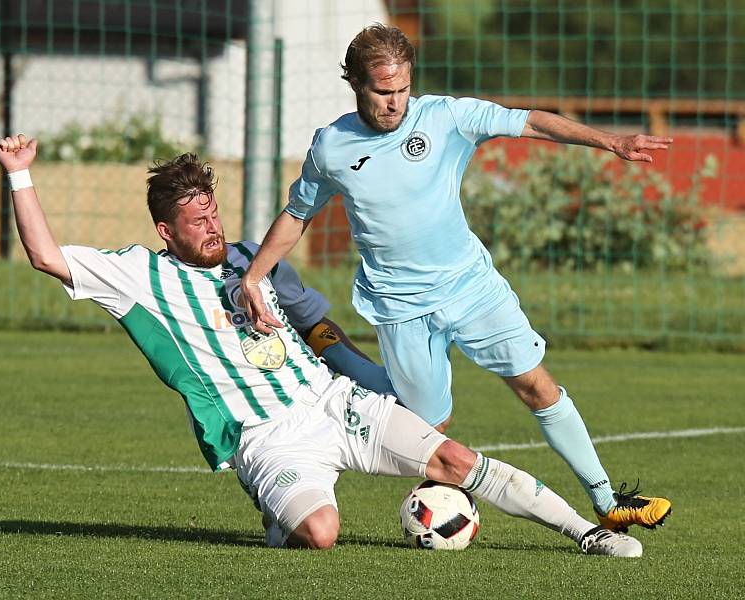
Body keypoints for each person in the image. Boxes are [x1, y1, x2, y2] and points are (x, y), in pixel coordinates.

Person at [0, 134, 644, 556]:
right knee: (322, 536)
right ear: (166, 230)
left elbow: (317, 327)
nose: (213, 227)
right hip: (266, 435)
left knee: (453, 459)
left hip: (332, 400)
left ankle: (585, 533)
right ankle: (280, 517)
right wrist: (21, 175)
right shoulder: (141, 277)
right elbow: (46, 257)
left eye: (214, 212)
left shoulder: (253, 258)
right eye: (197, 221)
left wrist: (371, 377)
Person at [239, 23, 672, 533]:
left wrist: (611, 141)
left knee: (536, 384)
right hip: (400, 305)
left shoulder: (446, 116)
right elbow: (297, 214)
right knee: (424, 428)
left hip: (471, 287)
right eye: (382, 92)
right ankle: (303, 462)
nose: (395, 103)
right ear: (356, 83)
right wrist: (254, 276)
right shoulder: (331, 147)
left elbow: (531, 123)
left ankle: (607, 499)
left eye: (402, 90)